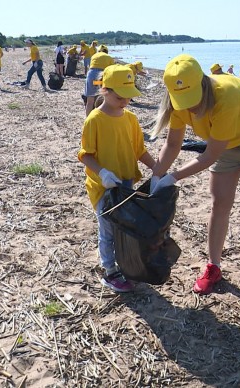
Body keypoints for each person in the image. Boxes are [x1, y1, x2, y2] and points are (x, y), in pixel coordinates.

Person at [150, 54, 240, 303]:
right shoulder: (179, 103)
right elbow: (172, 144)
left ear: (203, 83)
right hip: (224, 143)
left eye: (192, 100)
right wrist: (156, 175)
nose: (189, 107)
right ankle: (213, 266)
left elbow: (209, 156)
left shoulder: (226, 94)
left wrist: (172, 177)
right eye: (182, 102)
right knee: (219, 204)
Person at [77, 64, 156, 293]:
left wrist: (158, 170)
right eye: (120, 97)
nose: (125, 102)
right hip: (103, 186)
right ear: (105, 91)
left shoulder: (130, 119)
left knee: (125, 227)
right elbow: (86, 154)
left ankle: (125, 264)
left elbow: (140, 150)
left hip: (126, 183)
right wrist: (102, 173)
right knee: (108, 230)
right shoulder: (95, 119)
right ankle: (110, 271)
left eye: (129, 97)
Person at [83, 45, 115, 116]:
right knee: (103, 98)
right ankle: (101, 116)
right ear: (106, 51)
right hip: (101, 77)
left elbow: (91, 66)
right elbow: (112, 70)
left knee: (90, 101)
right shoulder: (109, 57)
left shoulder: (94, 56)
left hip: (91, 75)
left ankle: (88, 119)